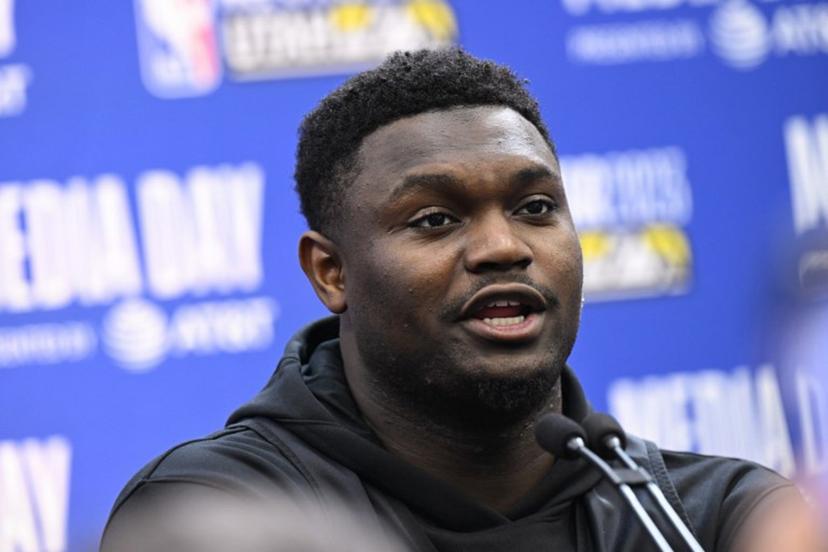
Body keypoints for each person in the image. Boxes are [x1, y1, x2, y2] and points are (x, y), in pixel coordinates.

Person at [101, 49, 817, 552]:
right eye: (435, 220)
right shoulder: (218, 513)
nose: (503, 247)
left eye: (536, 207)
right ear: (331, 272)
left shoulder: (716, 520)